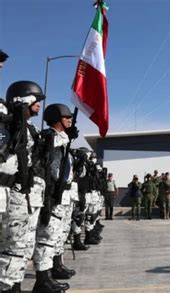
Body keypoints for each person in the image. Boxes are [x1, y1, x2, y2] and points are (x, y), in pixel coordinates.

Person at [0, 81, 51, 293]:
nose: (39, 104)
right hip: (6, 187)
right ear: (23, 99)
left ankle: (12, 285)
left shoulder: (28, 128)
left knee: (17, 244)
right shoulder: (5, 119)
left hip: (18, 191)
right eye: (36, 100)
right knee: (11, 243)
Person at [33, 103, 79, 292]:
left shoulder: (62, 140)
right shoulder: (49, 137)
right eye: (67, 117)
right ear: (57, 119)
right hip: (51, 195)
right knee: (46, 236)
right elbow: (50, 167)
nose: (70, 120)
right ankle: (42, 279)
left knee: (57, 233)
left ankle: (52, 269)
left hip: (63, 194)